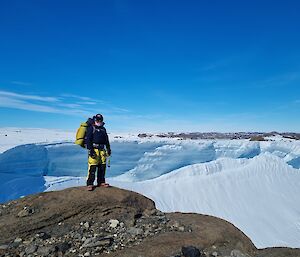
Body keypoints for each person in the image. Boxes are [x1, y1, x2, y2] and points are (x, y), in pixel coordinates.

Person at [86, 114, 111, 191]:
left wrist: (108, 148)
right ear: (95, 120)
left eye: (100, 120)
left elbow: (106, 140)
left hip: (102, 150)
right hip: (94, 149)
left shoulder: (103, 129)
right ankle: (90, 183)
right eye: (97, 120)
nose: (99, 122)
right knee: (92, 167)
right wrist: (91, 150)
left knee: (102, 166)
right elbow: (88, 140)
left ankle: (101, 182)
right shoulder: (91, 128)